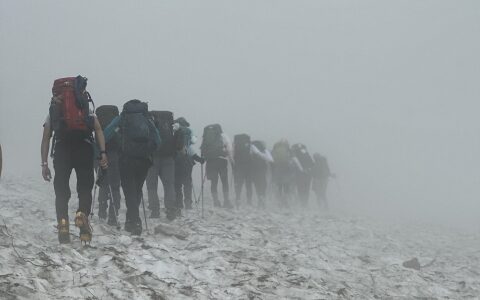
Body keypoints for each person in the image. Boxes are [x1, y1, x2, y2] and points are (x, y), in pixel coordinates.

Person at [41, 76, 108, 244]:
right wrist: (103, 153)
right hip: (83, 148)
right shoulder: (83, 105)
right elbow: (98, 129)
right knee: (85, 186)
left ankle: (62, 223)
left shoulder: (54, 109)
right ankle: (81, 214)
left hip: (62, 149)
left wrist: (44, 164)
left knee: (61, 188)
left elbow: (46, 138)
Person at [103, 100, 161, 235]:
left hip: (126, 159)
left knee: (129, 191)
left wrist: (112, 143)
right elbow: (158, 140)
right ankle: (130, 220)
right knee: (136, 189)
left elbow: (106, 134)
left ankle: (135, 223)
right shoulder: (147, 118)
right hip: (144, 160)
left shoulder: (122, 118)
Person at [145, 111, 180, 221]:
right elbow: (179, 144)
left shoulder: (150, 123)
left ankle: (155, 211)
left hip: (152, 158)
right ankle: (171, 211)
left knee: (151, 186)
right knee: (169, 185)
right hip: (168, 158)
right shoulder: (172, 126)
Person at [95, 105, 122, 223]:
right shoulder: (118, 123)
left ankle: (102, 212)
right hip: (115, 155)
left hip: (99, 154)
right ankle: (113, 215)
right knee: (115, 185)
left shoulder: (98, 121)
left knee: (103, 183)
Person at [232, 135, 274, 208]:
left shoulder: (247, 147)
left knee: (250, 185)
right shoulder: (261, 149)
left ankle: (239, 199)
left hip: (248, 169)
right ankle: (258, 201)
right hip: (259, 170)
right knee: (261, 185)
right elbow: (270, 159)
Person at [173, 117, 205, 210]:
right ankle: (188, 203)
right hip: (187, 161)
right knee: (187, 182)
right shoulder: (188, 131)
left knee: (177, 183)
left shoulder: (174, 131)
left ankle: (179, 204)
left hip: (176, 160)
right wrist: (199, 159)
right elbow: (190, 146)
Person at [200, 124, 233, 208]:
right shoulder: (223, 136)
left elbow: (202, 149)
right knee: (224, 181)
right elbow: (229, 149)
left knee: (214, 182)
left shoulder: (206, 136)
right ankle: (226, 201)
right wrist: (231, 160)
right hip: (222, 161)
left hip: (211, 162)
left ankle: (216, 201)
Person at [271, 139, 298, 208]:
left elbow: (271, 159)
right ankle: (286, 202)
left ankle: (279, 203)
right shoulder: (289, 149)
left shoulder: (275, 148)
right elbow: (294, 160)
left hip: (278, 170)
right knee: (286, 187)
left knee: (279, 187)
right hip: (287, 170)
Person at [250, 140, 274, 208]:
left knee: (257, 185)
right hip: (262, 170)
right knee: (263, 185)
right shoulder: (264, 150)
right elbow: (271, 160)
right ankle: (261, 200)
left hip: (254, 171)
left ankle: (260, 200)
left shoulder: (252, 150)